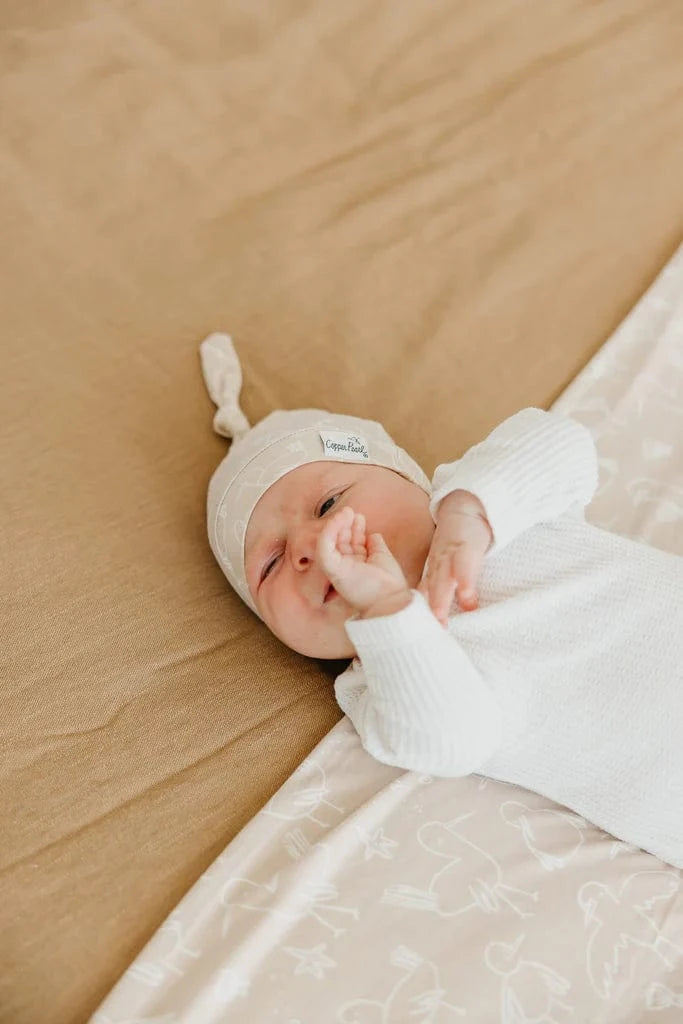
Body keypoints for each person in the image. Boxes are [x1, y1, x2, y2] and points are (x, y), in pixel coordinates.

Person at [200, 333, 683, 868]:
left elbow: (563, 446)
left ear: (408, 477)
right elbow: (456, 739)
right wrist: (387, 610)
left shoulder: (487, 512)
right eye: (270, 566)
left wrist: (471, 510)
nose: (311, 548)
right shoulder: (376, 685)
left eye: (330, 502)